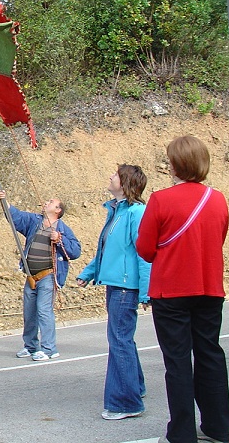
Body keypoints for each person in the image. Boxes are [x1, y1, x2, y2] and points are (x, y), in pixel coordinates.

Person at [137, 136, 229, 443]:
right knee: (211, 354)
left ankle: (182, 432)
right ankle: (218, 427)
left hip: (171, 291)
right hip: (209, 287)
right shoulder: (217, 198)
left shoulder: (161, 199)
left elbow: (145, 248)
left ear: (175, 165)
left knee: (177, 361)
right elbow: (218, 238)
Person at [77, 165, 151, 421]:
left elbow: (144, 253)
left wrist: (145, 291)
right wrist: (87, 273)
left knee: (119, 340)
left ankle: (126, 403)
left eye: (116, 175)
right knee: (123, 339)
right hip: (116, 284)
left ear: (126, 182)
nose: (110, 176)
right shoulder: (116, 210)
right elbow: (105, 250)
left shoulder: (136, 212)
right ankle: (136, 388)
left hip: (124, 286)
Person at [0, 190, 81, 360]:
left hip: (49, 275)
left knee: (43, 310)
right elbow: (16, 217)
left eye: (51, 202)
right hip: (31, 276)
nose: (46, 203)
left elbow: (76, 250)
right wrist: (4, 201)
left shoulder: (63, 229)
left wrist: (60, 239)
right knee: (29, 312)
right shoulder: (35, 221)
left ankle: (49, 349)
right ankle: (31, 346)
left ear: (58, 210)